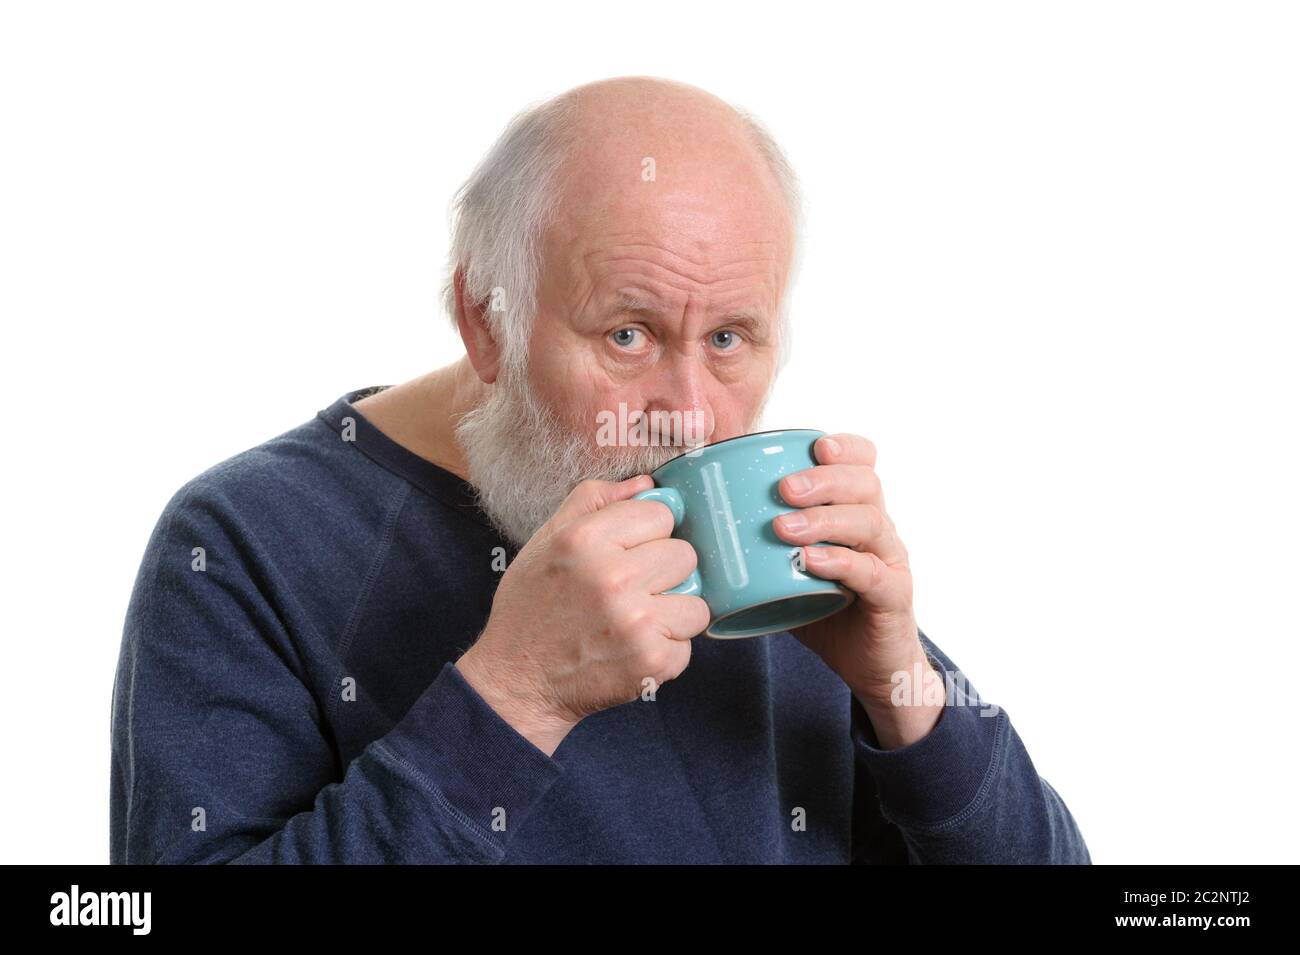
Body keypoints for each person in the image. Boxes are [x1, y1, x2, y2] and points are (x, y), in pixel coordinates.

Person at [110, 75, 1091, 864]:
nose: (690, 414)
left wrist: (904, 690)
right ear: (486, 322)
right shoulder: (240, 543)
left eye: (732, 337)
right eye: (628, 333)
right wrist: (511, 700)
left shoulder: (765, 536)